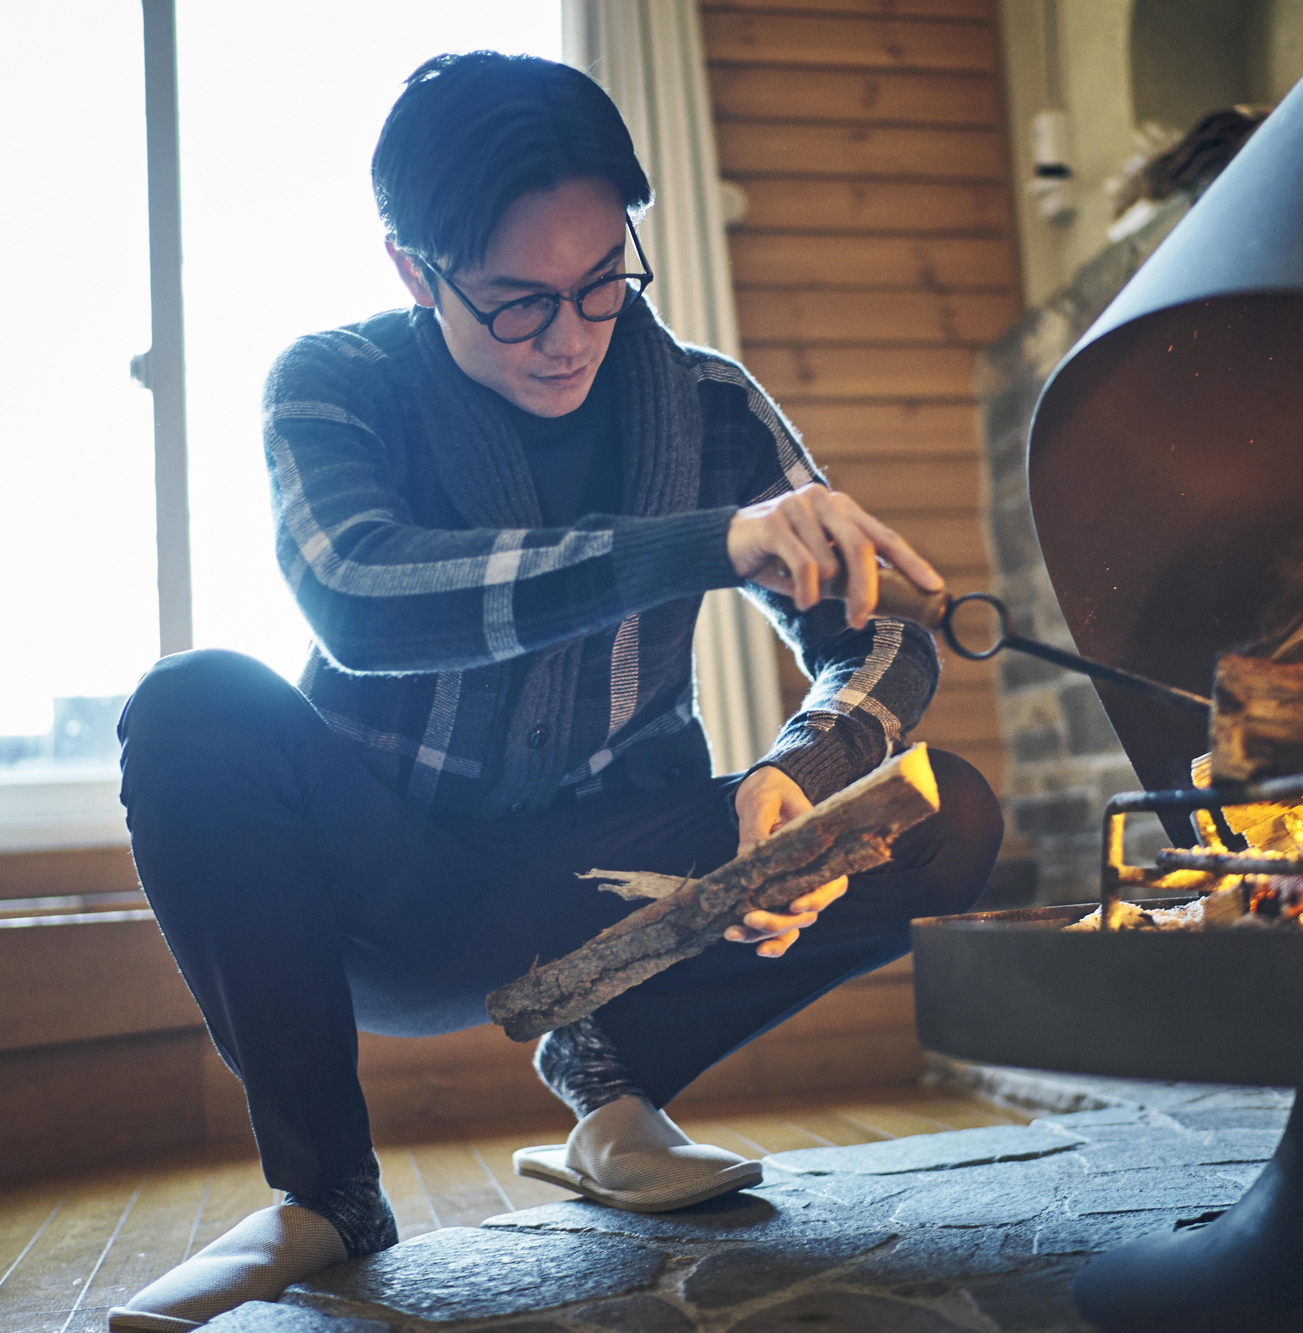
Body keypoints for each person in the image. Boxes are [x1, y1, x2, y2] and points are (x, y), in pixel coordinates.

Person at [108, 50, 1002, 1332]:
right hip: (381, 890)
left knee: (943, 813)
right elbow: (357, 595)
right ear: (414, 272)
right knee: (193, 702)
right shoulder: (335, 381)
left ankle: (613, 1079)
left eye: (601, 286)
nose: (573, 336)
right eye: (520, 303)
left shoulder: (707, 406)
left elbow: (889, 639)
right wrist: (706, 541)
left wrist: (797, 771)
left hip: (598, 886)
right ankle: (323, 1196)